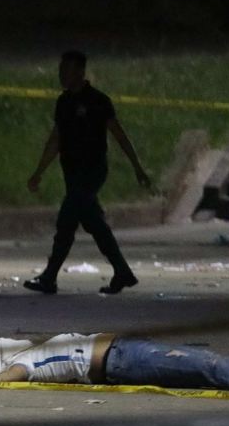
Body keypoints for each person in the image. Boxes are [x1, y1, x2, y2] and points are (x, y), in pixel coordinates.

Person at [23, 50, 152, 296]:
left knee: (66, 221)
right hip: (71, 172)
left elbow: (119, 134)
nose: (62, 75)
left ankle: (49, 277)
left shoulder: (98, 101)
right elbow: (56, 139)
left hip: (92, 171)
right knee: (93, 222)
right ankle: (123, 272)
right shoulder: (63, 103)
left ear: (80, 72)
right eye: (61, 70)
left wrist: (137, 167)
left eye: (67, 70)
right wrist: (39, 171)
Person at [0, 333, 229, 394]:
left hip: (127, 352)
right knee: (211, 368)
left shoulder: (43, 349)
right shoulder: (32, 358)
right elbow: (22, 372)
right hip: (122, 360)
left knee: (210, 365)